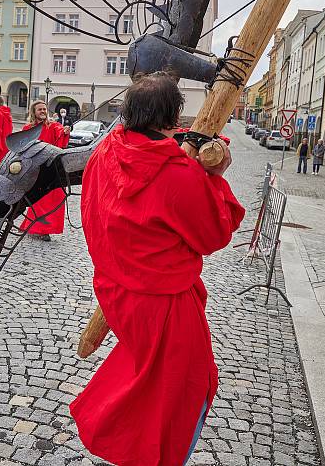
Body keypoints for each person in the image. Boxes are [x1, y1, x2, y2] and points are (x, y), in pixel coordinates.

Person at [69, 72, 245, 466]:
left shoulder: (103, 154)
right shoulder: (178, 175)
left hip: (116, 294)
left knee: (142, 378)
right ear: (172, 119)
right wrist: (213, 177)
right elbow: (215, 233)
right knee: (186, 389)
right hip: (164, 305)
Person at [19, 100, 71, 242]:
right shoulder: (28, 128)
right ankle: (38, 229)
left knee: (54, 198)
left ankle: (38, 227)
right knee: (39, 200)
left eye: (44, 109)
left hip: (52, 168)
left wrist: (65, 131)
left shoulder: (53, 126)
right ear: (33, 112)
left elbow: (61, 135)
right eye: (40, 109)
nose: (43, 111)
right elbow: (23, 148)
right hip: (35, 169)